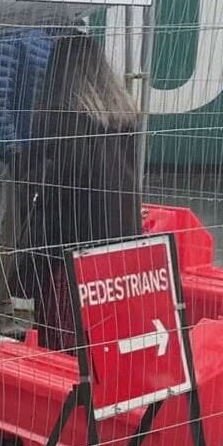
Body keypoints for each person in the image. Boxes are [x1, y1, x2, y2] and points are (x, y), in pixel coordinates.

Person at [13, 31, 144, 353]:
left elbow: (58, 184)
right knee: (106, 329)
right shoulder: (122, 114)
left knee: (64, 332)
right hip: (118, 237)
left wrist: (28, 170)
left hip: (70, 245)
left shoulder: (59, 115)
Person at [0, 25, 56, 338]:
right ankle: (2, 314)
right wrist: (13, 149)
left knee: (48, 234)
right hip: (26, 153)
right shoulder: (14, 37)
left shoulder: (61, 37)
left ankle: (47, 312)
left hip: (54, 153)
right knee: (13, 234)